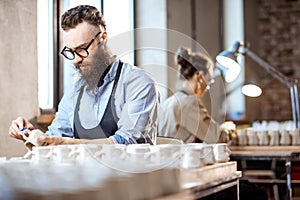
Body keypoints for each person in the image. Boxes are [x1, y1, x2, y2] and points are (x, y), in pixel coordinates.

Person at [9, 5, 159, 146]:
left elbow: (127, 142)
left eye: (82, 49)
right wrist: (32, 136)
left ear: (103, 38)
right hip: (82, 174)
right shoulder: (75, 91)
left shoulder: (139, 84)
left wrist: (68, 144)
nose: (76, 59)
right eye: (71, 51)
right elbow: (56, 137)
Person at [158, 47, 226, 144]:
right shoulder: (189, 103)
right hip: (183, 158)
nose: (208, 87)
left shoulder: (168, 102)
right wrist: (228, 130)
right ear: (200, 76)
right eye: (209, 81)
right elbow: (215, 138)